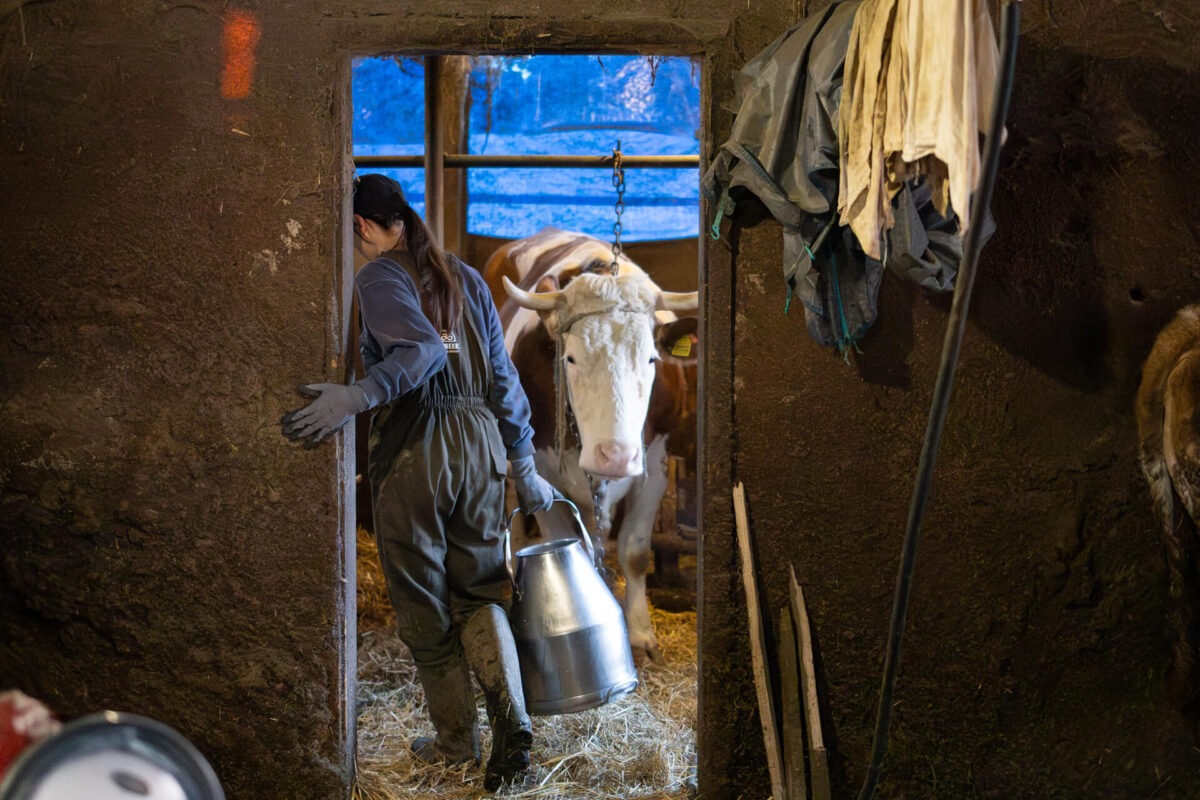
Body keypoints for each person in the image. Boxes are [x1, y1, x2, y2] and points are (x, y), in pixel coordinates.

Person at [280, 173, 559, 791]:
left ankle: (459, 741)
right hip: (481, 447)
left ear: (362, 227)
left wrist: (357, 395)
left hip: (418, 448)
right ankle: (512, 720)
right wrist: (523, 465)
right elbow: (504, 384)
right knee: (482, 592)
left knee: (423, 606)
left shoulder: (378, 276)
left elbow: (425, 352)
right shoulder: (465, 274)